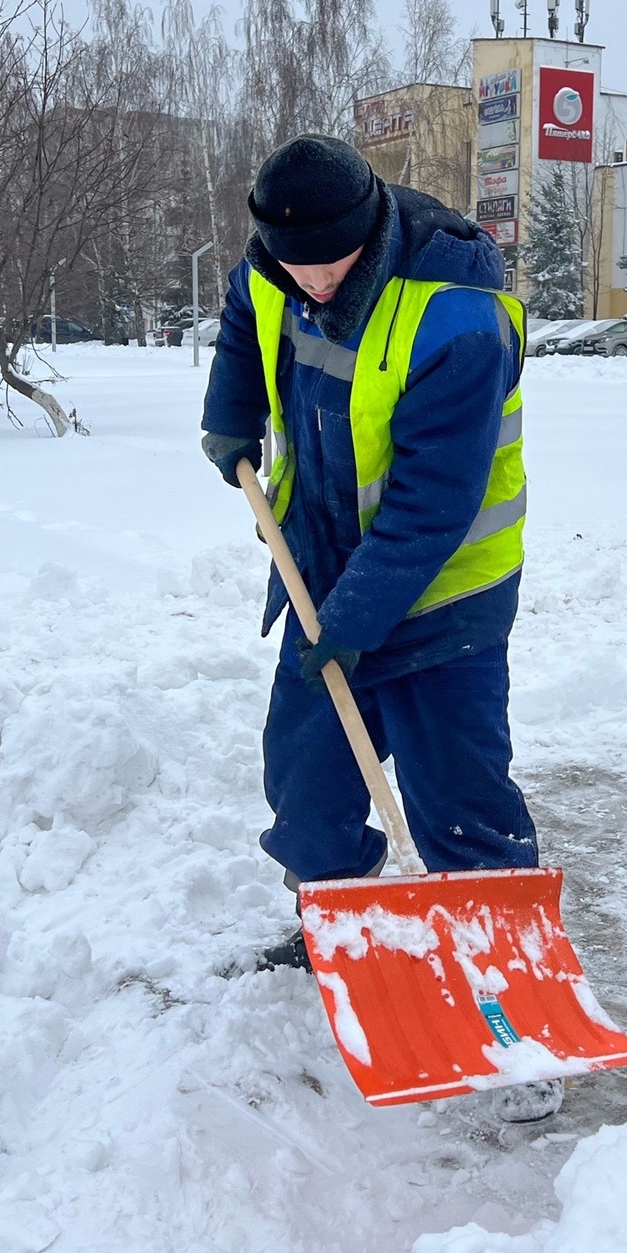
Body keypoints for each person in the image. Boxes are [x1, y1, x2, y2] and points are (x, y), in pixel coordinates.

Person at [200, 133, 538, 970]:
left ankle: (503, 978)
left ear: (371, 226)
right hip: (320, 574)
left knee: (460, 802)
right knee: (307, 789)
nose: (311, 281)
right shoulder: (275, 266)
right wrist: (231, 414)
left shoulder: (458, 319)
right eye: (295, 265)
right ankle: (346, 926)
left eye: (332, 263)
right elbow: (248, 313)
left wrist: (350, 624)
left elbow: (433, 507)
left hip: (443, 599)